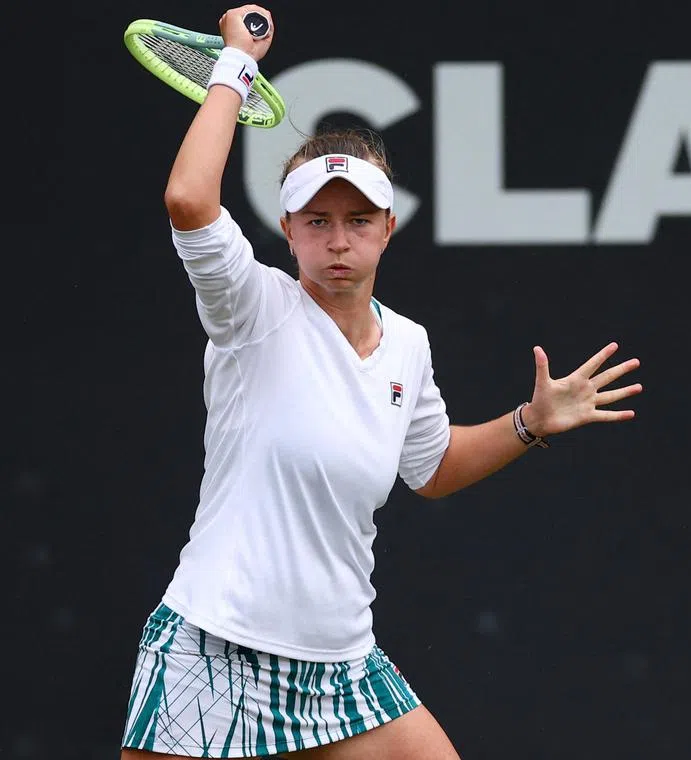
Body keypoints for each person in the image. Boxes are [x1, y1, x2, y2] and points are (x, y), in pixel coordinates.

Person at [119, 6, 641, 758]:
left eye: (358, 220)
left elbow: (429, 468)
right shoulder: (252, 305)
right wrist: (234, 66)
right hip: (215, 646)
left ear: (388, 228)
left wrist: (528, 423)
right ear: (287, 229)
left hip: (341, 664)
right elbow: (189, 201)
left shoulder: (408, 346)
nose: (338, 240)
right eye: (316, 221)